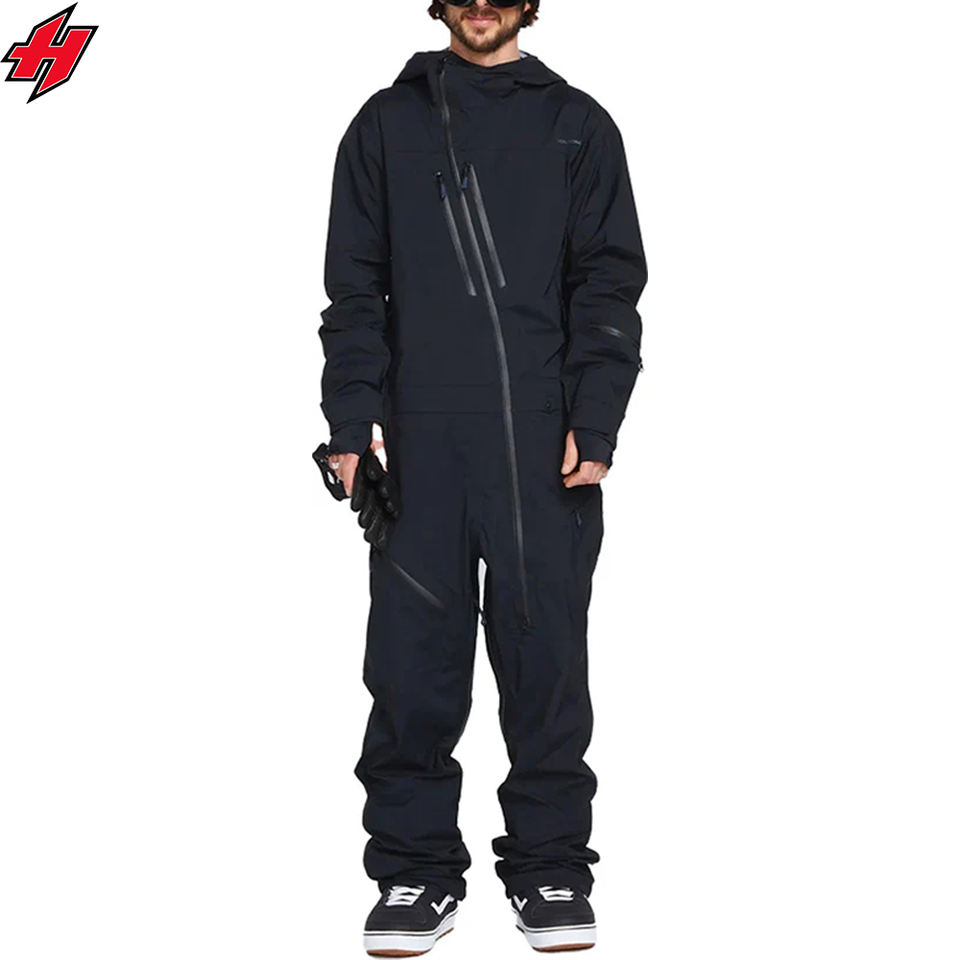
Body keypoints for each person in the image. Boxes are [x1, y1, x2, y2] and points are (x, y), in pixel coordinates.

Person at [317, 1, 646, 954]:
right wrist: (350, 422)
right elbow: (354, 288)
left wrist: (596, 417)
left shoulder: (578, 125)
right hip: (418, 445)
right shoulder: (387, 124)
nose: (481, 3)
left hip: (545, 445)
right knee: (411, 666)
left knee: (547, 666)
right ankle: (414, 873)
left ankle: (550, 868)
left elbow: (609, 283)